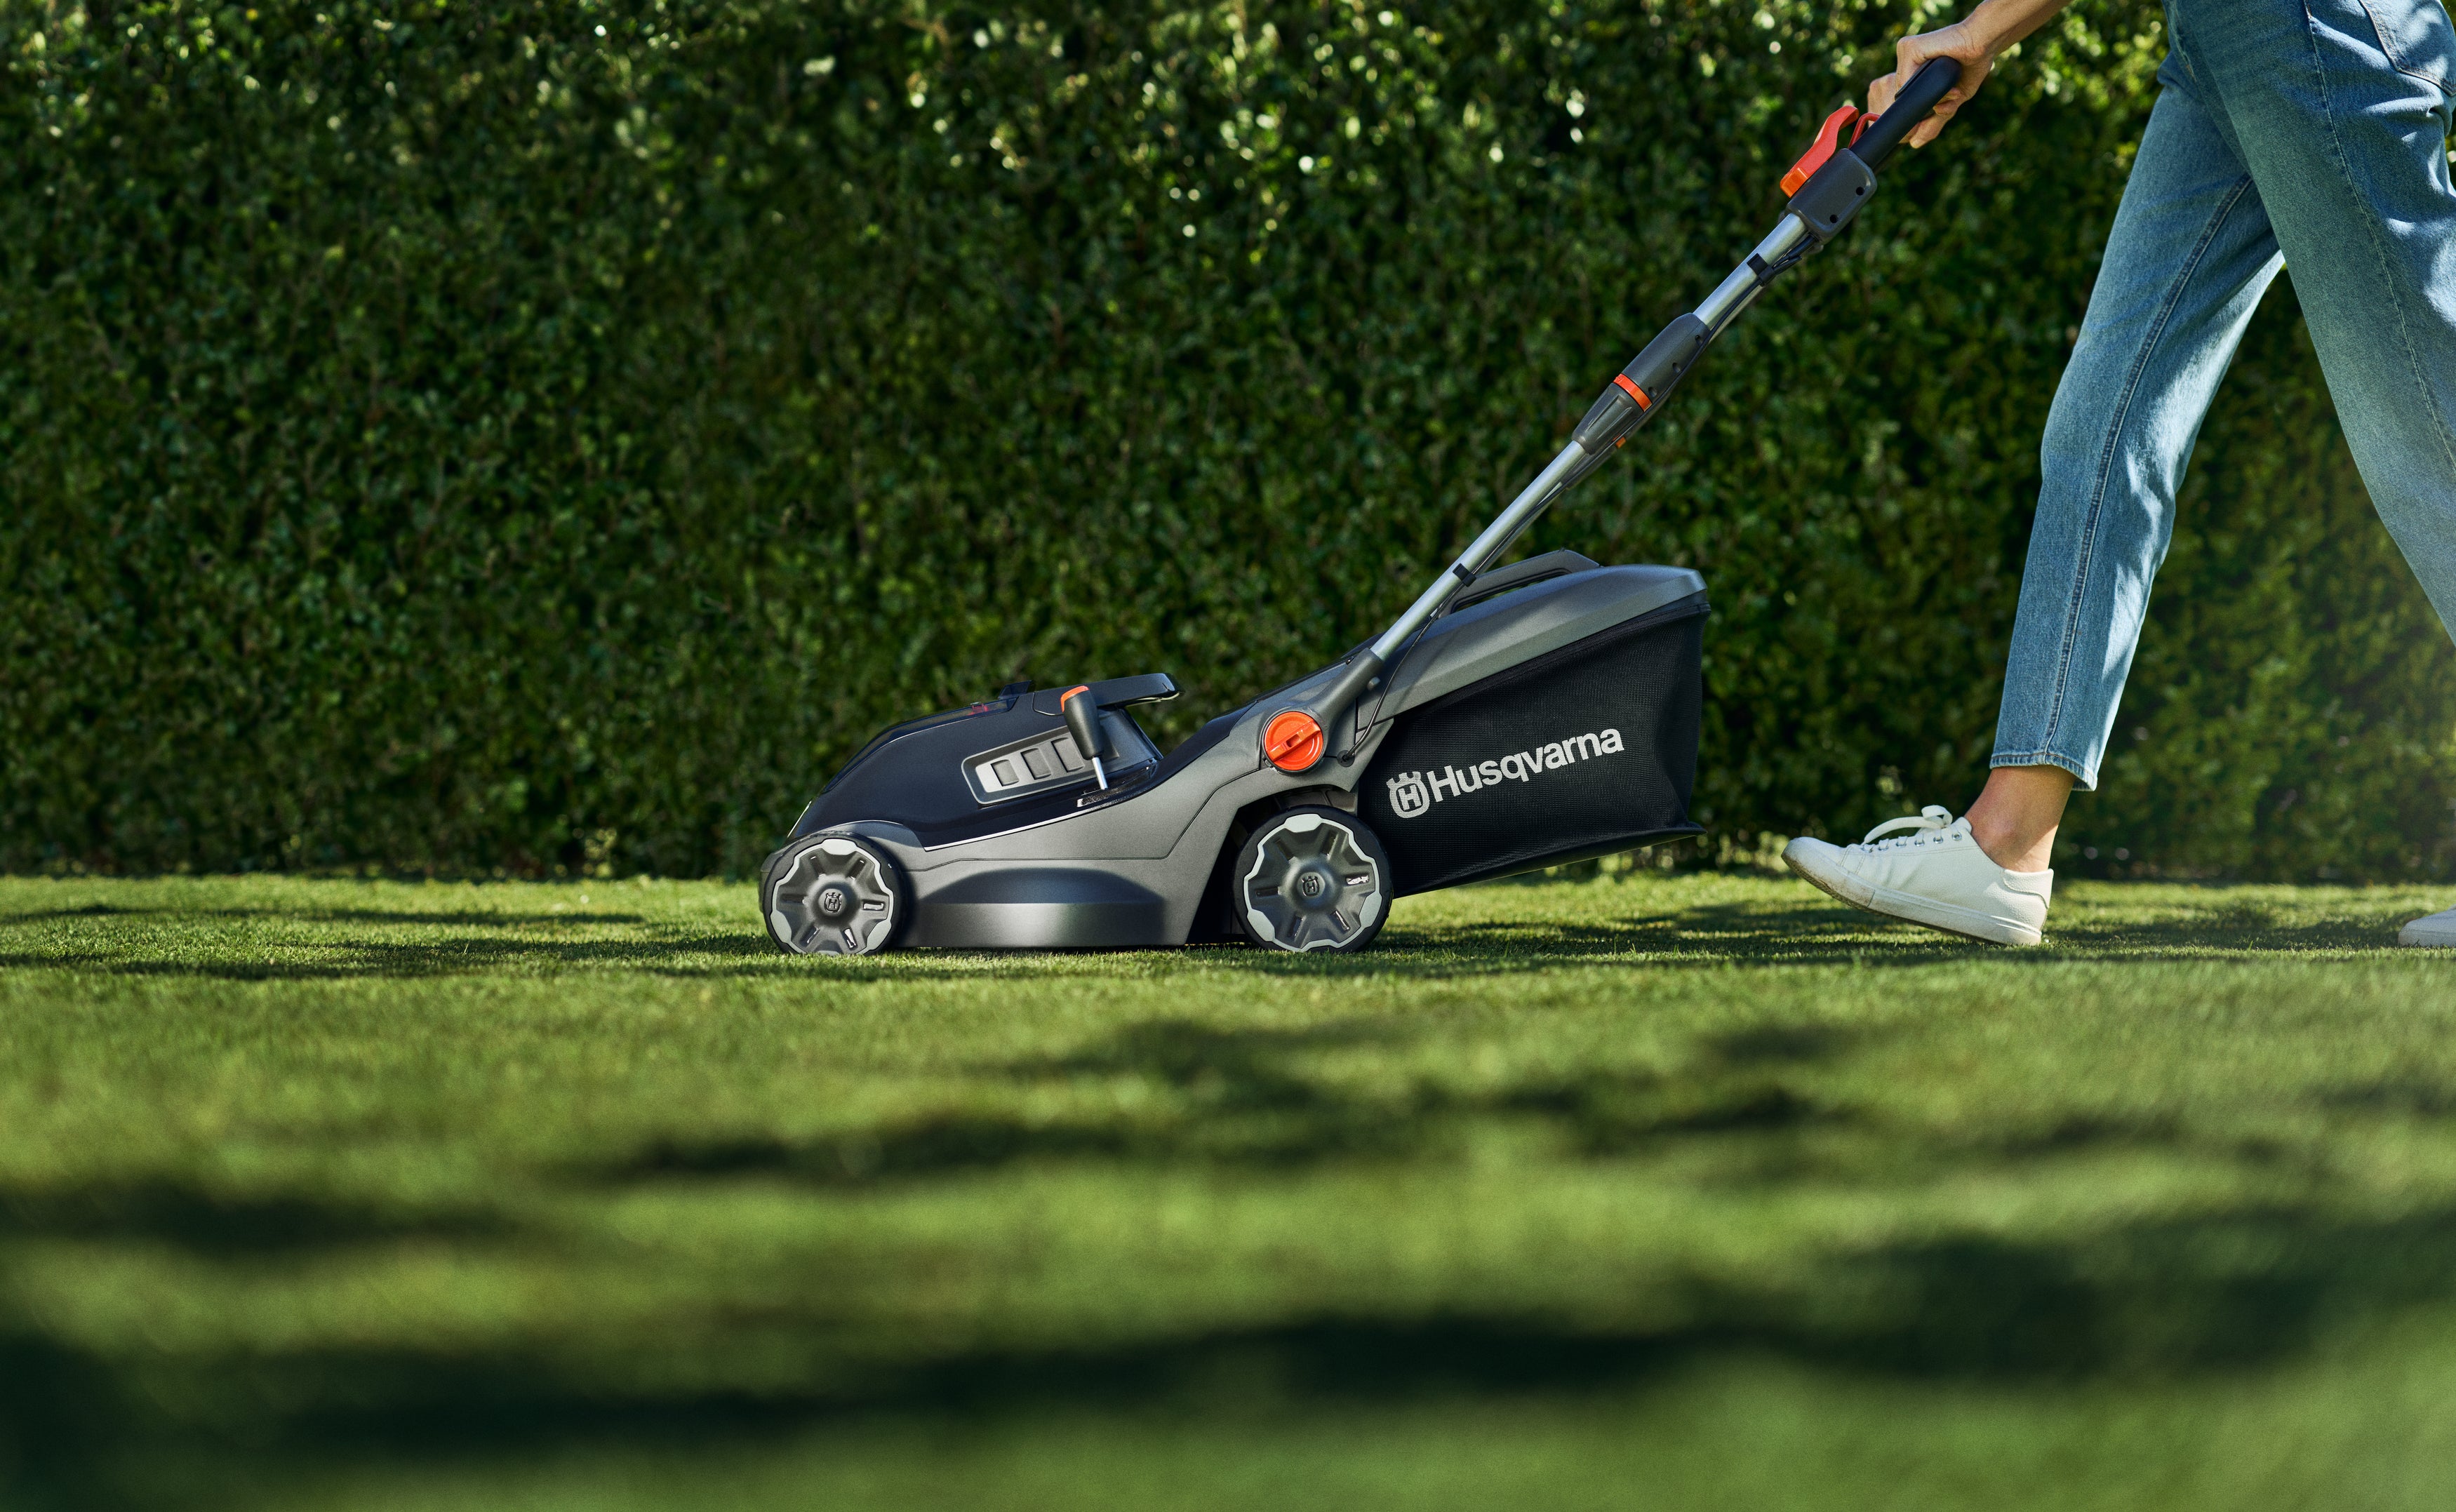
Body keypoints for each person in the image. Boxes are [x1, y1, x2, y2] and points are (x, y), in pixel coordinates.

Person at [1782, 0, 2456, 946]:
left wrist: (1980, 32)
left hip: (2311, 22)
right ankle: (2004, 847)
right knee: (2105, 423)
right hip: (2215, 44)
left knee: (2425, 425)